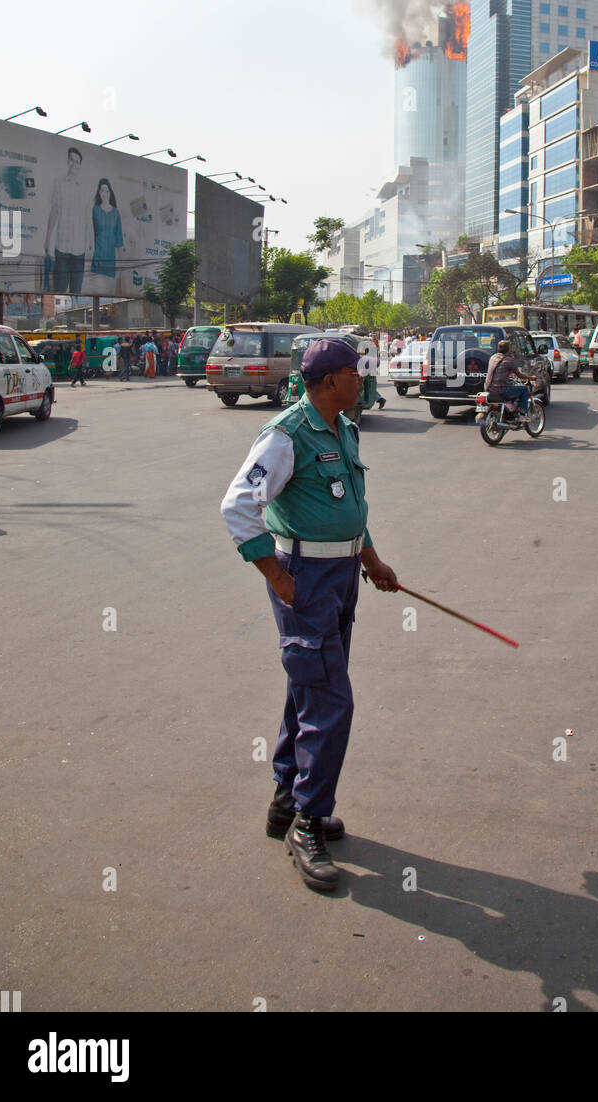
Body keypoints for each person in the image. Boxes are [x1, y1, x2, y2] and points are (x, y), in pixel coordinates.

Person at [220, 337, 398, 894]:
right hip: (306, 579)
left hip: (341, 576)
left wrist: (370, 558)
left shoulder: (342, 427)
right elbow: (238, 506)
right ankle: (309, 822)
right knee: (330, 699)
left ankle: (286, 801)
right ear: (327, 382)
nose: (360, 381)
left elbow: (347, 507)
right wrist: (275, 575)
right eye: (353, 372)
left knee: (308, 688)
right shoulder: (286, 435)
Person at [44, 147, 93, 295]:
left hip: (79, 249)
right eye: (72, 160)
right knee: (59, 289)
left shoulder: (85, 188)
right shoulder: (59, 183)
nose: (74, 164)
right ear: (67, 161)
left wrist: (92, 244)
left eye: (77, 161)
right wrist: (47, 239)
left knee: (76, 292)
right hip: (62, 247)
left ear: (80, 165)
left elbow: (88, 218)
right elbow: (54, 211)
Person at [484, 338, 536, 414]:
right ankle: (522, 413)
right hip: (501, 390)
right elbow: (519, 375)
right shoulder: (508, 360)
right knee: (524, 389)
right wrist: (531, 377)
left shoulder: (493, 358)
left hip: (489, 389)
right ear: (508, 349)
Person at [90, 179, 124, 282]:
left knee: (110, 293)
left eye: (107, 191)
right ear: (99, 193)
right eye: (102, 191)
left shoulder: (115, 213)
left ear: (110, 193)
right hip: (97, 259)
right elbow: (91, 234)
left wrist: (121, 267)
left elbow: (119, 241)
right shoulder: (95, 210)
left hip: (110, 262)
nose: (105, 194)